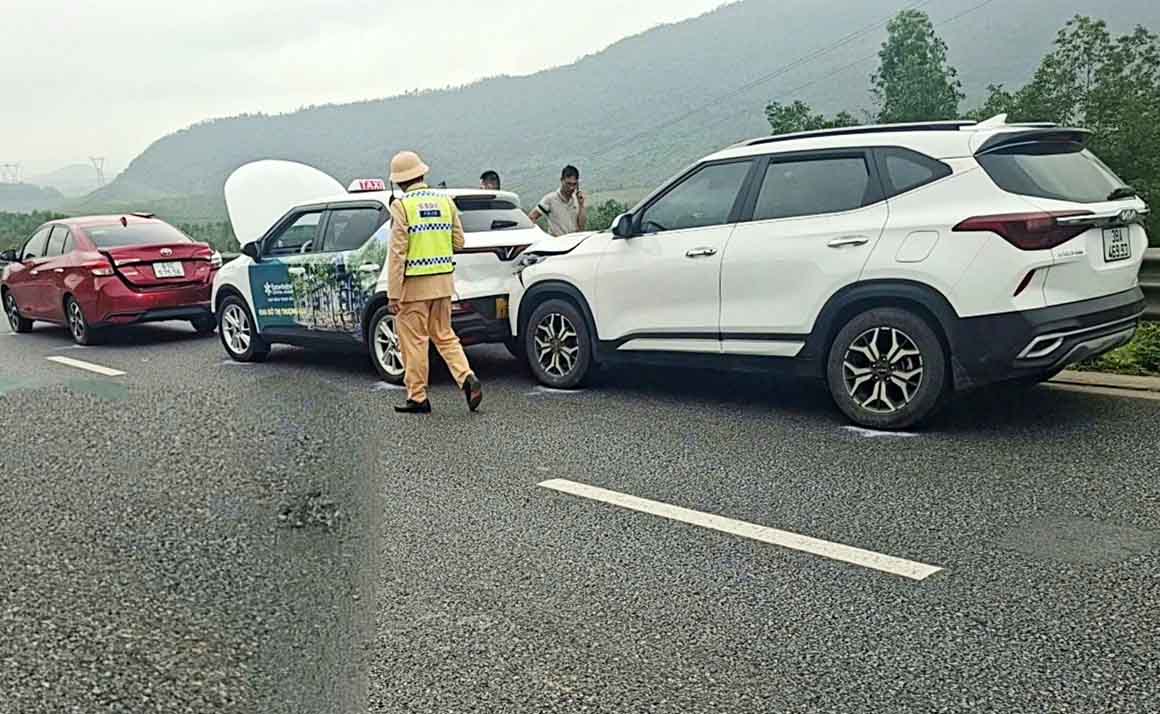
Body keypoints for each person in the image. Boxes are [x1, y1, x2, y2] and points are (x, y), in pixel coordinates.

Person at [386, 150, 483, 414]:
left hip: (413, 287)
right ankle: (466, 377)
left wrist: (393, 293)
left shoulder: (402, 206)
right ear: (422, 173)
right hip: (443, 285)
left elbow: (397, 253)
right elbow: (458, 242)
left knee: (415, 341)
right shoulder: (445, 202)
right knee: (445, 335)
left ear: (398, 181)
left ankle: (418, 397)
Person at [528, 165, 587, 237]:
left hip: (574, 242)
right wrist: (541, 236)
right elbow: (532, 217)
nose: (571, 187)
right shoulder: (550, 199)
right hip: (556, 244)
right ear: (562, 180)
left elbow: (582, 227)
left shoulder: (578, 200)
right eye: (568, 183)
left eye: (574, 184)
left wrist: (581, 205)